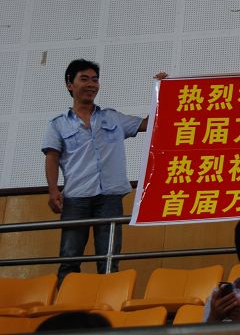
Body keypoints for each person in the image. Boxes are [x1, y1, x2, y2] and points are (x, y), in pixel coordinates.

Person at [41, 59, 166, 285]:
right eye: (84, 79)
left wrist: (162, 92)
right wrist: (52, 191)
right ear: (70, 84)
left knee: (109, 261)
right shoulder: (58, 124)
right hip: (76, 198)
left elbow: (149, 124)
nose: (91, 84)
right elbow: (52, 157)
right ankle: (65, 303)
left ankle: (108, 303)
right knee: (69, 258)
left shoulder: (112, 117)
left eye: (95, 79)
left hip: (110, 197)